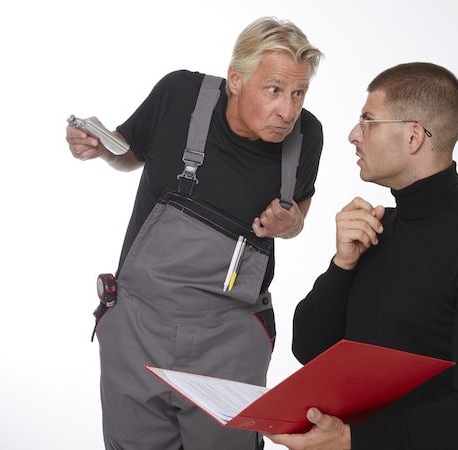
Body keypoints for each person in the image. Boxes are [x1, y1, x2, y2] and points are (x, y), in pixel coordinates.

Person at [65, 17, 324, 450]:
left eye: (299, 93)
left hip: (230, 344)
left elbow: (299, 215)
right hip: (136, 331)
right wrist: (101, 146)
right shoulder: (180, 94)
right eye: (275, 89)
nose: (288, 110)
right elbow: (131, 154)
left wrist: (291, 224)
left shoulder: (307, 136)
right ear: (236, 80)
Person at [267, 62, 458, 450]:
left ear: (413, 137)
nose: (353, 135)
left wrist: (353, 440)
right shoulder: (376, 229)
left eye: (368, 121)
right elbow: (309, 349)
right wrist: (342, 266)